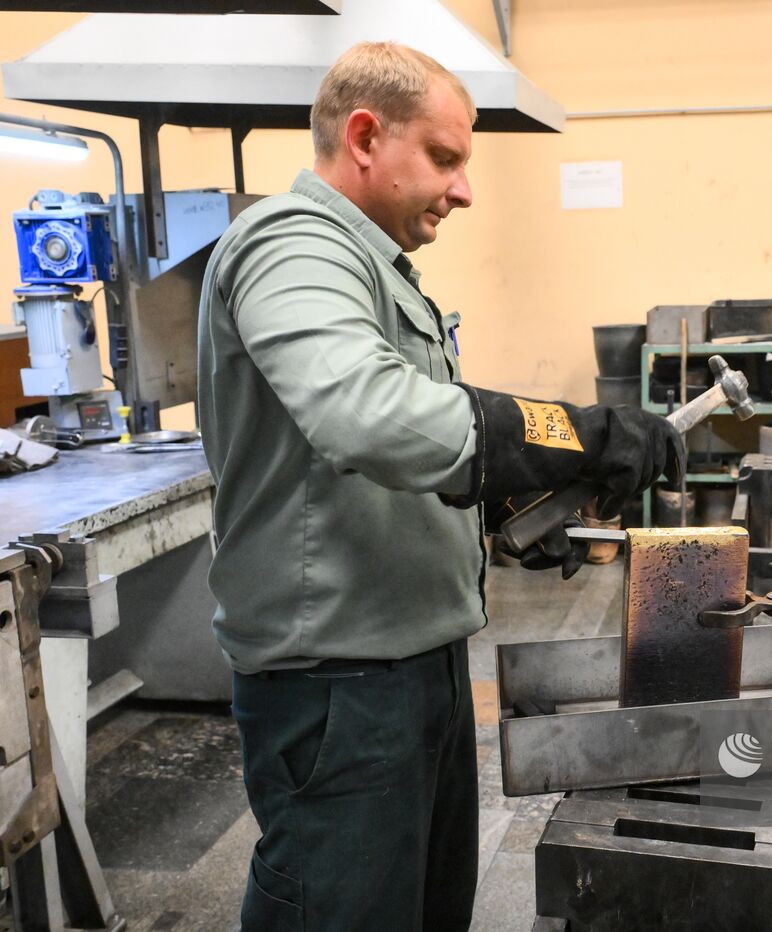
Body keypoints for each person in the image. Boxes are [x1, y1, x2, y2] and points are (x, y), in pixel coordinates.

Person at [196, 42, 678, 930]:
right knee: (344, 913)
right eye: (445, 158)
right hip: (338, 684)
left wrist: (504, 509)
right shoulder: (289, 244)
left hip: (420, 661)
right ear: (364, 137)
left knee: (425, 909)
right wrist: (571, 434)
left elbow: (401, 457)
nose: (464, 191)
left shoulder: (374, 270)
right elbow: (365, 414)